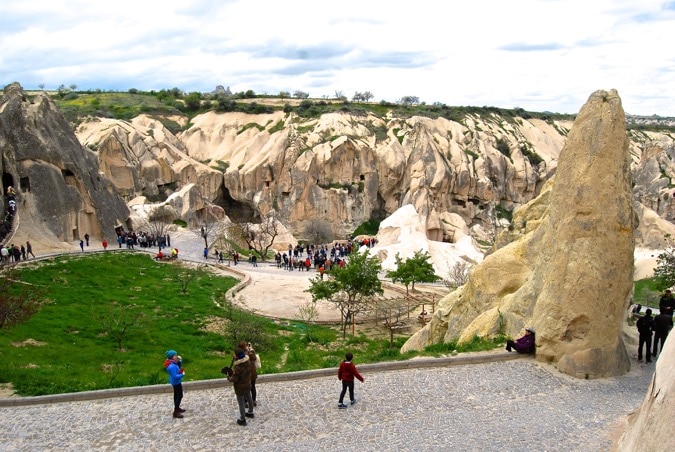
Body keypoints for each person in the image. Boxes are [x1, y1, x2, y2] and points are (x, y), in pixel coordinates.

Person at [227, 347, 255, 426]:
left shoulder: (238, 367)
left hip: (240, 387)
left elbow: (234, 379)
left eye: (234, 354)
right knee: (249, 397)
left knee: (241, 402)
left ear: (237, 356)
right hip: (247, 383)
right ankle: (250, 412)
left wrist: (228, 376)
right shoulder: (248, 362)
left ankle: (242, 419)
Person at [164, 350, 186, 418]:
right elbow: (175, 376)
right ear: (172, 357)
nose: (177, 356)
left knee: (176, 395)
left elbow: (178, 368)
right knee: (179, 395)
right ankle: (176, 412)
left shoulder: (173, 363)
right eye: (175, 355)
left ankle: (177, 408)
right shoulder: (172, 366)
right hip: (176, 382)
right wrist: (182, 374)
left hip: (176, 382)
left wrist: (180, 361)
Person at [238, 341, 259, 408]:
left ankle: (245, 401)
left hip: (244, 374)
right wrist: (251, 350)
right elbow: (254, 358)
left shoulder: (239, 353)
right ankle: (253, 400)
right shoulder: (249, 352)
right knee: (253, 386)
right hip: (252, 372)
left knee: (245, 388)